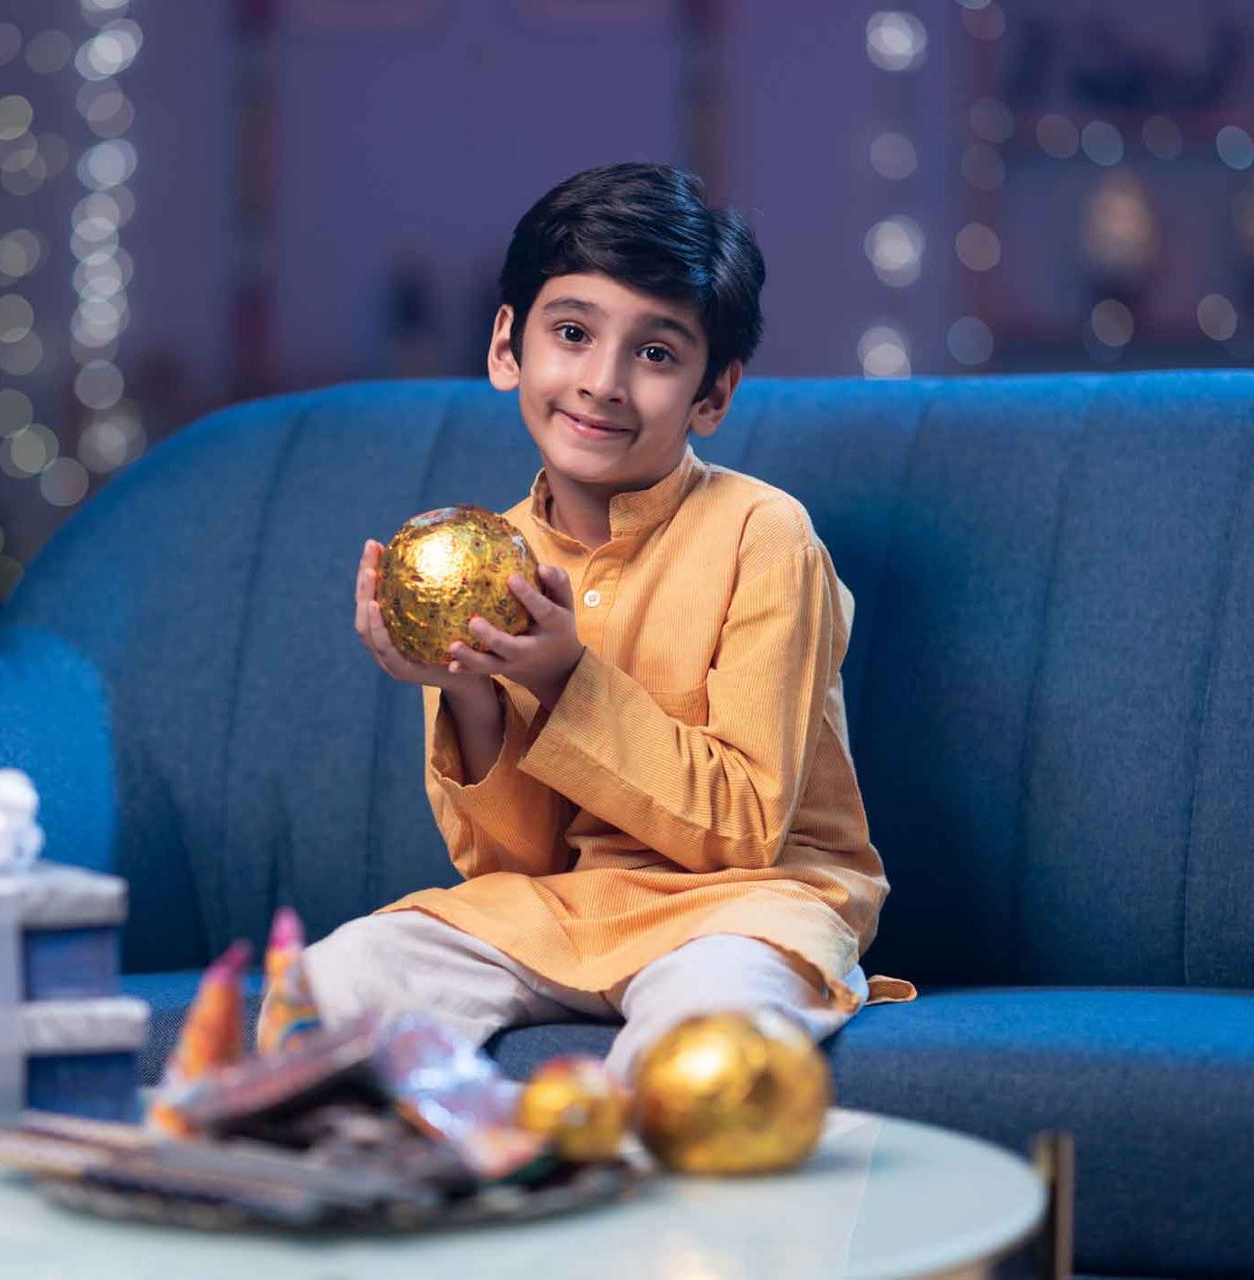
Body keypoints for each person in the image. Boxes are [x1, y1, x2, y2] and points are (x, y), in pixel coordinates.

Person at [268, 161, 915, 1083]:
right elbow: (513, 862)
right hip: (558, 913)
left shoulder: (764, 535)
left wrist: (563, 678)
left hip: (747, 907)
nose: (603, 382)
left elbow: (744, 829)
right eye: (572, 333)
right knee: (335, 985)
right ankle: (431, 1165)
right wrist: (467, 690)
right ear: (507, 346)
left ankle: (626, 1170)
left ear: (713, 394)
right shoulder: (481, 562)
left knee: (704, 1046)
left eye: (655, 354)